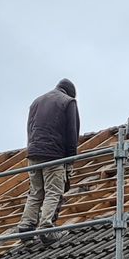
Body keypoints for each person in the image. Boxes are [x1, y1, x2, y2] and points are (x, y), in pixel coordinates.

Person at [19, 78, 79, 246]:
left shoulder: (36, 102)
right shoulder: (68, 102)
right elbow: (71, 134)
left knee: (36, 191)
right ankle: (46, 228)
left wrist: (31, 151)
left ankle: (25, 228)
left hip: (34, 153)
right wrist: (70, 161)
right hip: (53, 154)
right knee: (54, 191)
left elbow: (30, 129)